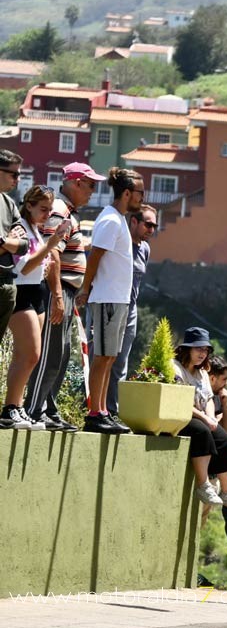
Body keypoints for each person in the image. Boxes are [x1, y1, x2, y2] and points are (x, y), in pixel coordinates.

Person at [23, 162, 104, 431]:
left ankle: (46, 408)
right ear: (76, 182)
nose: (94, 191)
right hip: (56, 291)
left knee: (60, 353)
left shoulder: (67, 211)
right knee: (51, 352)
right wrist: (58, 295)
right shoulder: (59, 209)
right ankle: (34, 409)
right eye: (91, 185)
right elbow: (53, 253)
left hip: (65, 291)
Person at [76, 167, 143, 435]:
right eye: (139, 192)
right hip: (106, 299)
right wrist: (85, 289)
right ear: (126, 193)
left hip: (118, 300)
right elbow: (94, 257)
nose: (142, 197)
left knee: (109, 358)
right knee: (101, 357)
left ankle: (103, 410)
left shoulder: (119, 219)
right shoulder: (111, 220)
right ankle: (95, 413)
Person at [1, 186, 66, 429]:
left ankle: (16, 408)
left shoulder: (37, 231)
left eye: (50, 210)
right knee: (31, 354)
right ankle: (10, 409)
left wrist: (47, 258)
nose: (47, 214)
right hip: (22, 294)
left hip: (37, 294)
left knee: (27, 357)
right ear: (28, 206)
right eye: (43, 209)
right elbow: (25, 267)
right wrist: (51, 246)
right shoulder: (21, 229)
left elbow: (37, 265)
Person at [172, 327, 227, 511]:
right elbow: (180, 400)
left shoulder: (203, 373)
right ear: (187, 349)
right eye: (198, 348)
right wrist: (205, 418)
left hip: (200, 417)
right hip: (182, 416)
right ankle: (203, 485)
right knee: (202, 431)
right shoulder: (175, 367)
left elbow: (207, 398)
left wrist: (210, 417)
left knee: (225, 440)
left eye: (205, 349)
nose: (202, 353)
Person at [106, 204, 155, 418]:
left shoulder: (144, 248)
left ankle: (112, 411)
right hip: (110, 304)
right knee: (102, 359)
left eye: (155, 226)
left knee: (120, 364)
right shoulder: (120, 242)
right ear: (134, 221)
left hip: (131, 309)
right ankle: (92, 408)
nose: (151, 230)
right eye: (148, 224)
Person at [0, 149, 26, 339]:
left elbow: (24, 244)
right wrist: (10, 241)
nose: (17, 179)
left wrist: (2, 241)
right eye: (14, 174)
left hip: (8, 283)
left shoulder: (9, 203)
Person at [207, 355, 227, 436]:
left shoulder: (219, 396)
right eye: (224, 379)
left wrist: (225, 404)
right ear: (212, 379)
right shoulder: (200, 397)